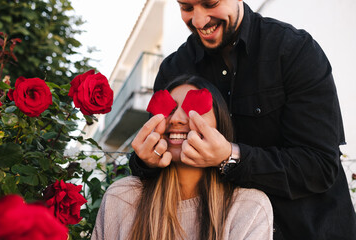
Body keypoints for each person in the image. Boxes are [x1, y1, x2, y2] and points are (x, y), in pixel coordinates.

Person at [129, 0, 356, 239]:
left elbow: (319, 165)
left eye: (209, 3)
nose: (198, 20)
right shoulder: (174, 70)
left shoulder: (294, 50)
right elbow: (159, 157)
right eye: (186, 7)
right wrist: (147, 161)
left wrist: (230, 156)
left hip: (308, 231)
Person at [92, 75, 273, 240]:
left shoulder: (249, 208)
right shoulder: (122, 198)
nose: (176, 119)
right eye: (168, 109)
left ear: (219, 125)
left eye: (193, 108)